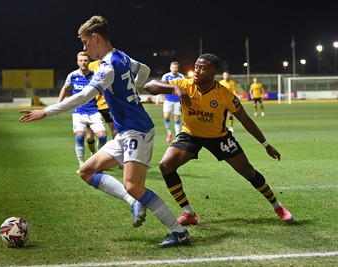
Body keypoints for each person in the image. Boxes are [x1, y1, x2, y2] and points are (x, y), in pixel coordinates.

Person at [19, 15, 190, 247]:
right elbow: (146, 69)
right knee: (86, 171)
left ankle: (178, 231)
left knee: (134, 185)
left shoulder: (107, 66)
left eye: (85, 42)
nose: (84, 47)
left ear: (95, 37)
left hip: (137, 131)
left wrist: (46, 112)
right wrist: (135, 86)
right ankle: (133, 201)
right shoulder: (122, 56)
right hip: (125, 133)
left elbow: (83, 96)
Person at [144, 53, 292, 226]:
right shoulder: (185, 84)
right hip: (191, 134)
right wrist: (174, 89)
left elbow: (245, 120)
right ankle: (188, 212)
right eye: (196, 66)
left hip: (219, 138)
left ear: (214, 71)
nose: (197, 71)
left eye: (203, 68)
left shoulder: (224, 94)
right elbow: (149, 85)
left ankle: (277, 206)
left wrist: (266, 145)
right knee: (165, 165)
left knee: (248, 171)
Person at [57, 51, 107, 173]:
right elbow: (65, 87)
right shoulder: (72, 76)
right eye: (81, 60)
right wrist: (59, 103)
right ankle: (82, 165)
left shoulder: (95, 76)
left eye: (85, 60)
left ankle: (95, 160)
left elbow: (103, 91)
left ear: (88, 61)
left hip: (93, 112)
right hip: (78, 113)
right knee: (80, 137)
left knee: (103, 136)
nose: (83, 63)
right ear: (77, 62)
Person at [156, 62, 184, 143]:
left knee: (177, 118)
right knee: (166, 116)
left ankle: (177, 136)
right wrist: (158, 99)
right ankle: (169, 133)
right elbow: (160, 87)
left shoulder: (181, 76)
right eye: (173, 67)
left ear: (178, 68)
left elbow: (183, 88)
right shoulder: (166, 76)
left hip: (177, 100)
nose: (174, 69)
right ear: (170, 68)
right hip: (168, 99)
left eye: (176, 67)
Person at [88, 60, 117, 138]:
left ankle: (117, 147)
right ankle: (93, 149)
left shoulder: (111, 64)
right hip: (93, 105)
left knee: (114, 129)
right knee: (90, 136)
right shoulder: (91, 65)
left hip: (106, 104)